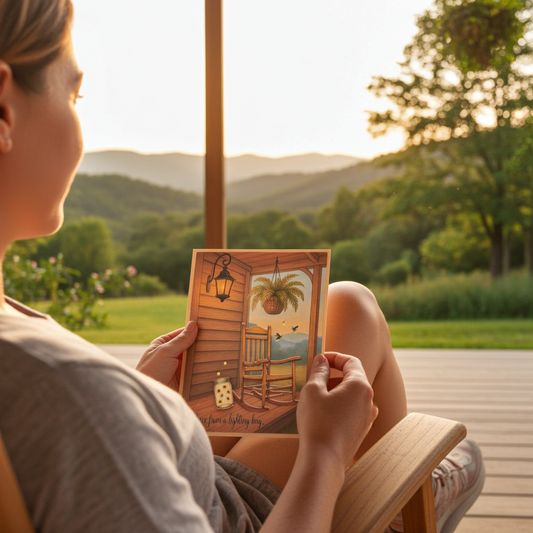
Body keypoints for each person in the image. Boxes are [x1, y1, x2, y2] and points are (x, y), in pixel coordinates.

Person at [0, 1, 484, 532]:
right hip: (249, 516)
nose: (78, 118)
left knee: (343, 307)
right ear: (4, 107)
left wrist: (143, 399)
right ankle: (396, 497)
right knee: (357, 313)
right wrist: (326, 454)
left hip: (188, 477)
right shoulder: (65, 389)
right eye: (74, 94)